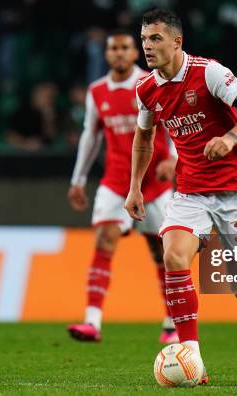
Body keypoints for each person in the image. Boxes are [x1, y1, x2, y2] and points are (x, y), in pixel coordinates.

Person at [126, 9, 237, 383]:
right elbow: (143, 137)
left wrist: (229, 138)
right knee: (174, 256)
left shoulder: (207, 72)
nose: (147, 46)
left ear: (177, 41)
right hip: (191, 189)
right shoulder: (146, 89)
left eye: (156, 39)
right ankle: (192, 357)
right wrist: (134, 187)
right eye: (144, 39)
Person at [67, 29, 179, 344]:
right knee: (104, 240)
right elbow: (91, 136)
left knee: (162, 252)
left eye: (124, 48)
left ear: (134, 54)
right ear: (107, 54)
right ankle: (92, 321)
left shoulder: (151, 83)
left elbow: (172, 122)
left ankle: (171, 323)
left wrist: (172, 157)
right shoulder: (97, 91)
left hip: (154, 183)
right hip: (116, 181)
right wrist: (78, 179)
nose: (118, 52)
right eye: (113, 48)